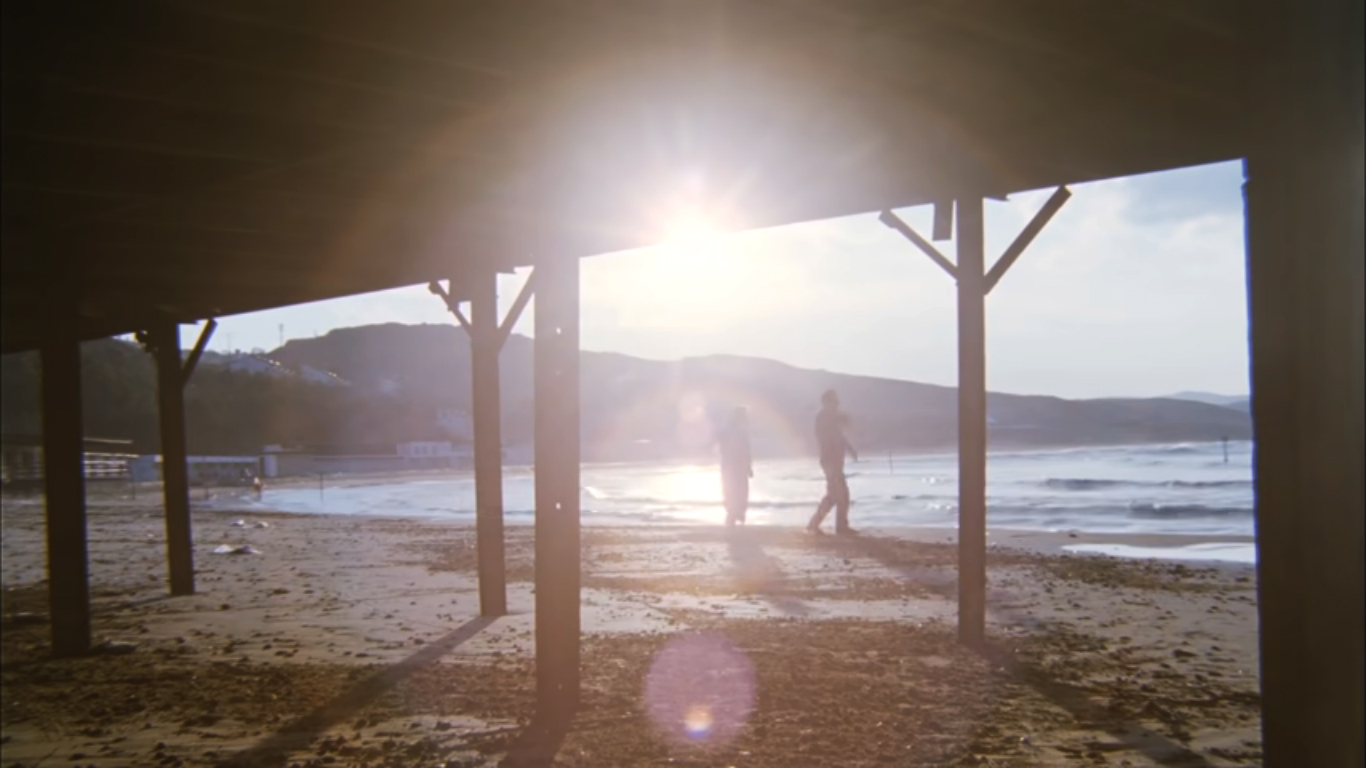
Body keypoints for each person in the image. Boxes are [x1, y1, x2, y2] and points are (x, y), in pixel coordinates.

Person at [808, 389, 858, 535]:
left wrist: (850, 449)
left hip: (835, 461)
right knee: (837, 495)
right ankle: (833, 526)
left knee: (837, 495)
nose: (837, 404)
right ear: (826, 403)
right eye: (834, 402)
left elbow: (840, 435)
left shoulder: (832, 417)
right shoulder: (823, 417)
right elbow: (829, 438)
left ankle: (825, 525)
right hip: (830, 461)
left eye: (837, 402)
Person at [716, 406, 754, 526]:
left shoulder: (727, 431)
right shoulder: (740, 432)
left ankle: (733, 515)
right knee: (739, 491)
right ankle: (736, 515)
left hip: (729, 466)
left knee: (731, 491)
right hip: (736, 467)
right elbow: (745, 451)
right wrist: (748, 466)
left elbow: (723, 449)